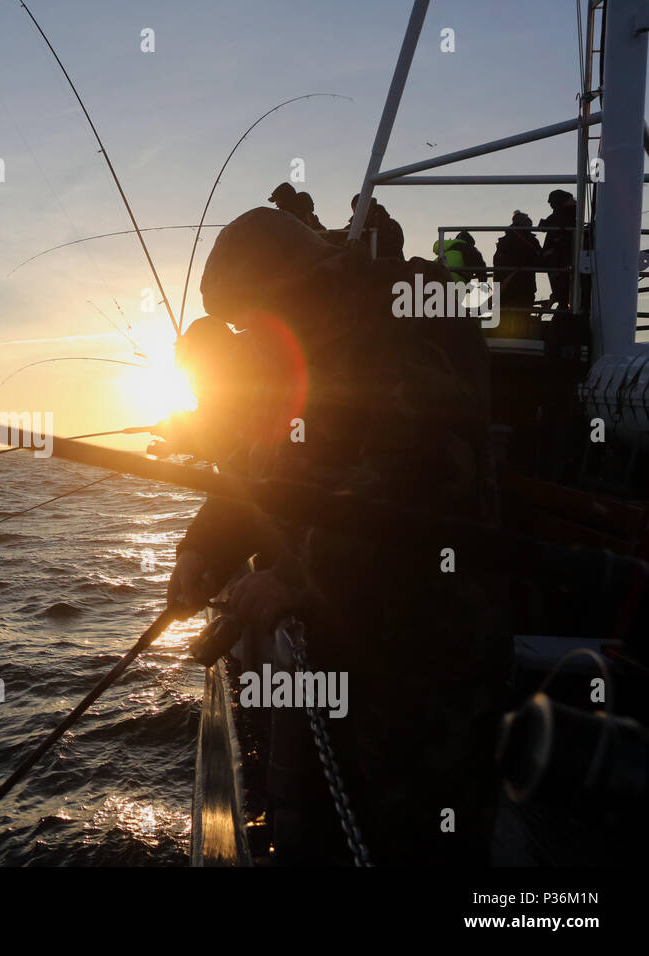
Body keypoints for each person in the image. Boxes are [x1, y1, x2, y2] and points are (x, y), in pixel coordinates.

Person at [168, 207, 509, 865]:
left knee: (421, 838)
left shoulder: (398, 324)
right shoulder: (300, 345)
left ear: (288, 290)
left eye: (248, 317)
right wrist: (202, 549)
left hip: (430, 652)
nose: (248, 336)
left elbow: (420, 475)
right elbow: (261, 469)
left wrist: (295, 577)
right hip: (347, 635)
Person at [493, 211, 543, 337]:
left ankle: (501, 340)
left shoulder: (503, 241)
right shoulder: (530, 241)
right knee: (522, 317)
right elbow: (540, 260)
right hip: (524, 285)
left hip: (505, 286)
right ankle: (521, 338)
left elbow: (496, 263)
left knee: (503, 316)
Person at [539, 189, 577, 310]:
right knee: (564, 293)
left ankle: (561, 316)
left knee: (561, 293)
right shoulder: (566, 215)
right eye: (571, 199)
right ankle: (563, 318)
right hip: (561, 258)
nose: (574, 201)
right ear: (563, 202)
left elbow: (544, 226)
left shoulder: (558, 216)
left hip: (555, 259)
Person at [346, 193, 404, 260]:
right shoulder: (349, 229)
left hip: (388, 266)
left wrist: (363, 248)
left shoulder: (391, 225)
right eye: (356, 208)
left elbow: (394, 247)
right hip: (360, 267)